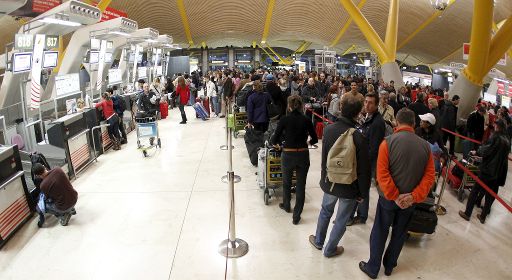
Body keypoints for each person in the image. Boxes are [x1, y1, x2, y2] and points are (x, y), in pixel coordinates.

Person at [359, 108, 435, 279]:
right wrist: (412, 196)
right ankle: (389, 266)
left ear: (397, 122)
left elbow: (382, 174)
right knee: (400, 233)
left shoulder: (387, 143)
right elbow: (429, 176)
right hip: (409, 202)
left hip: (388, 199)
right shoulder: (425, 147)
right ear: (414, 124)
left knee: (380, 230)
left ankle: (373, 268)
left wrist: (394, 195)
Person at [309, 93, 371, 257]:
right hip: (349, 186)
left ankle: (319, 241)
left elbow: (324, 159)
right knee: (342, 218)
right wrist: (362, 193)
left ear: (341, 108)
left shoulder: (329, 130)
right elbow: (364, 170)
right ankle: (330, 249)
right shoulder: (358, 137)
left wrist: (324, 179)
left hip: (330, 181)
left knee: (325, 211)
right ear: (358, 113)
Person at [271, 95, 318, 225]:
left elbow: (274, 139)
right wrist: (307, 142)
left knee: (286, 182)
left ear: (289, 106)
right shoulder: (306, 119)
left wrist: (279, 146)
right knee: (301, 185)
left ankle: (286, 205)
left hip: (288, 154)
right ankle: (296, 216)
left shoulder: (284, 120)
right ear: (302, 105)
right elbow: (314, 139)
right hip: (303, 154)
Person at [459, 119, 510, 224]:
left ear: (497, 126)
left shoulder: (496, 137)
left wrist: (477, 151)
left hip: (488, 170)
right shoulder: (507, 139)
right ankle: (483, 217)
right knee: (490, 195)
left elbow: (487, 150)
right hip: (498, 173)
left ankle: (467, 213)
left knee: (475, 191)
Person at [348, 92, 385, 226]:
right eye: (365, 102)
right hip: (363, 161)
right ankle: (358, 215)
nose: (367, 105)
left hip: (367, 163)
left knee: (363, 189)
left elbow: (374, 148)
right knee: (362, 188)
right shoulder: (369, 118)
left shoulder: (377, 123)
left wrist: (363, 164)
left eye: (370, 103)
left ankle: (361, 216)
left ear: (376, 105)